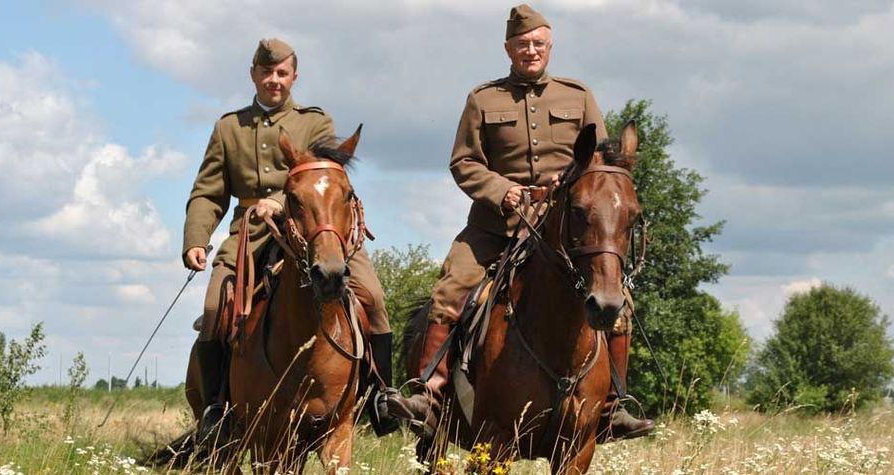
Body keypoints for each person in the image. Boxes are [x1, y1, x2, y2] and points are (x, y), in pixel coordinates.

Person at [386, 5, 654, 441]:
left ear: (550, 48)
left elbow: (600, 163)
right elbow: (464, 162)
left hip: (564, 228)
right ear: (509, 48)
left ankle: (614, 405)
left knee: (616, 300)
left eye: (539, 44)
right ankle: (427, 393)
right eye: (522, 44)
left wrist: (569, 185)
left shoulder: (578, 94)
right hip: (495, 226)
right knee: (451, 288)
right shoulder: (483, 99)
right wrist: (501, 191)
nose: (531, 51)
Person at [182, 38, 397, 438]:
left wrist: (281, 200)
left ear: (294, 76)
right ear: (254, 75)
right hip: (249, 234)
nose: (274, 80)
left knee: (375, 297)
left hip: (318, 228)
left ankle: (383, 396)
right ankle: (215, 411)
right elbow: (208, 192)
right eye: (266, 72)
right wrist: (196, 238)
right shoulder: (229, 128)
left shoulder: (316, 122)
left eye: (282, 73)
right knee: (215, 309)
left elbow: (324, 176)